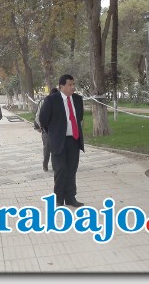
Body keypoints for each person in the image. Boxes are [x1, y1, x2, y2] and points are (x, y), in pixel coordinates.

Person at [39, 74, 85, 208]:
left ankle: (71, 197)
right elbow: (43, 119)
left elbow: (79, 117)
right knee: (60, 170)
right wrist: (54, 133)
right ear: (61, 86)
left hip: (74, 140)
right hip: (58, 141)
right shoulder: (51, 100)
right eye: (70, 85)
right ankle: (59, 199)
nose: (73, 87)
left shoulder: (77, 99)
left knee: (72, 170)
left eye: (73, 84)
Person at [35, 87, 59, 172]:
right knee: (47, 148)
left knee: (56, 148)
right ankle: (45, 164)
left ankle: (55, 165)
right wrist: (42, 127)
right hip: (46, 130)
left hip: (56, 131)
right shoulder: (43, 102)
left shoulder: (59, 102)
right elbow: (38, 116)